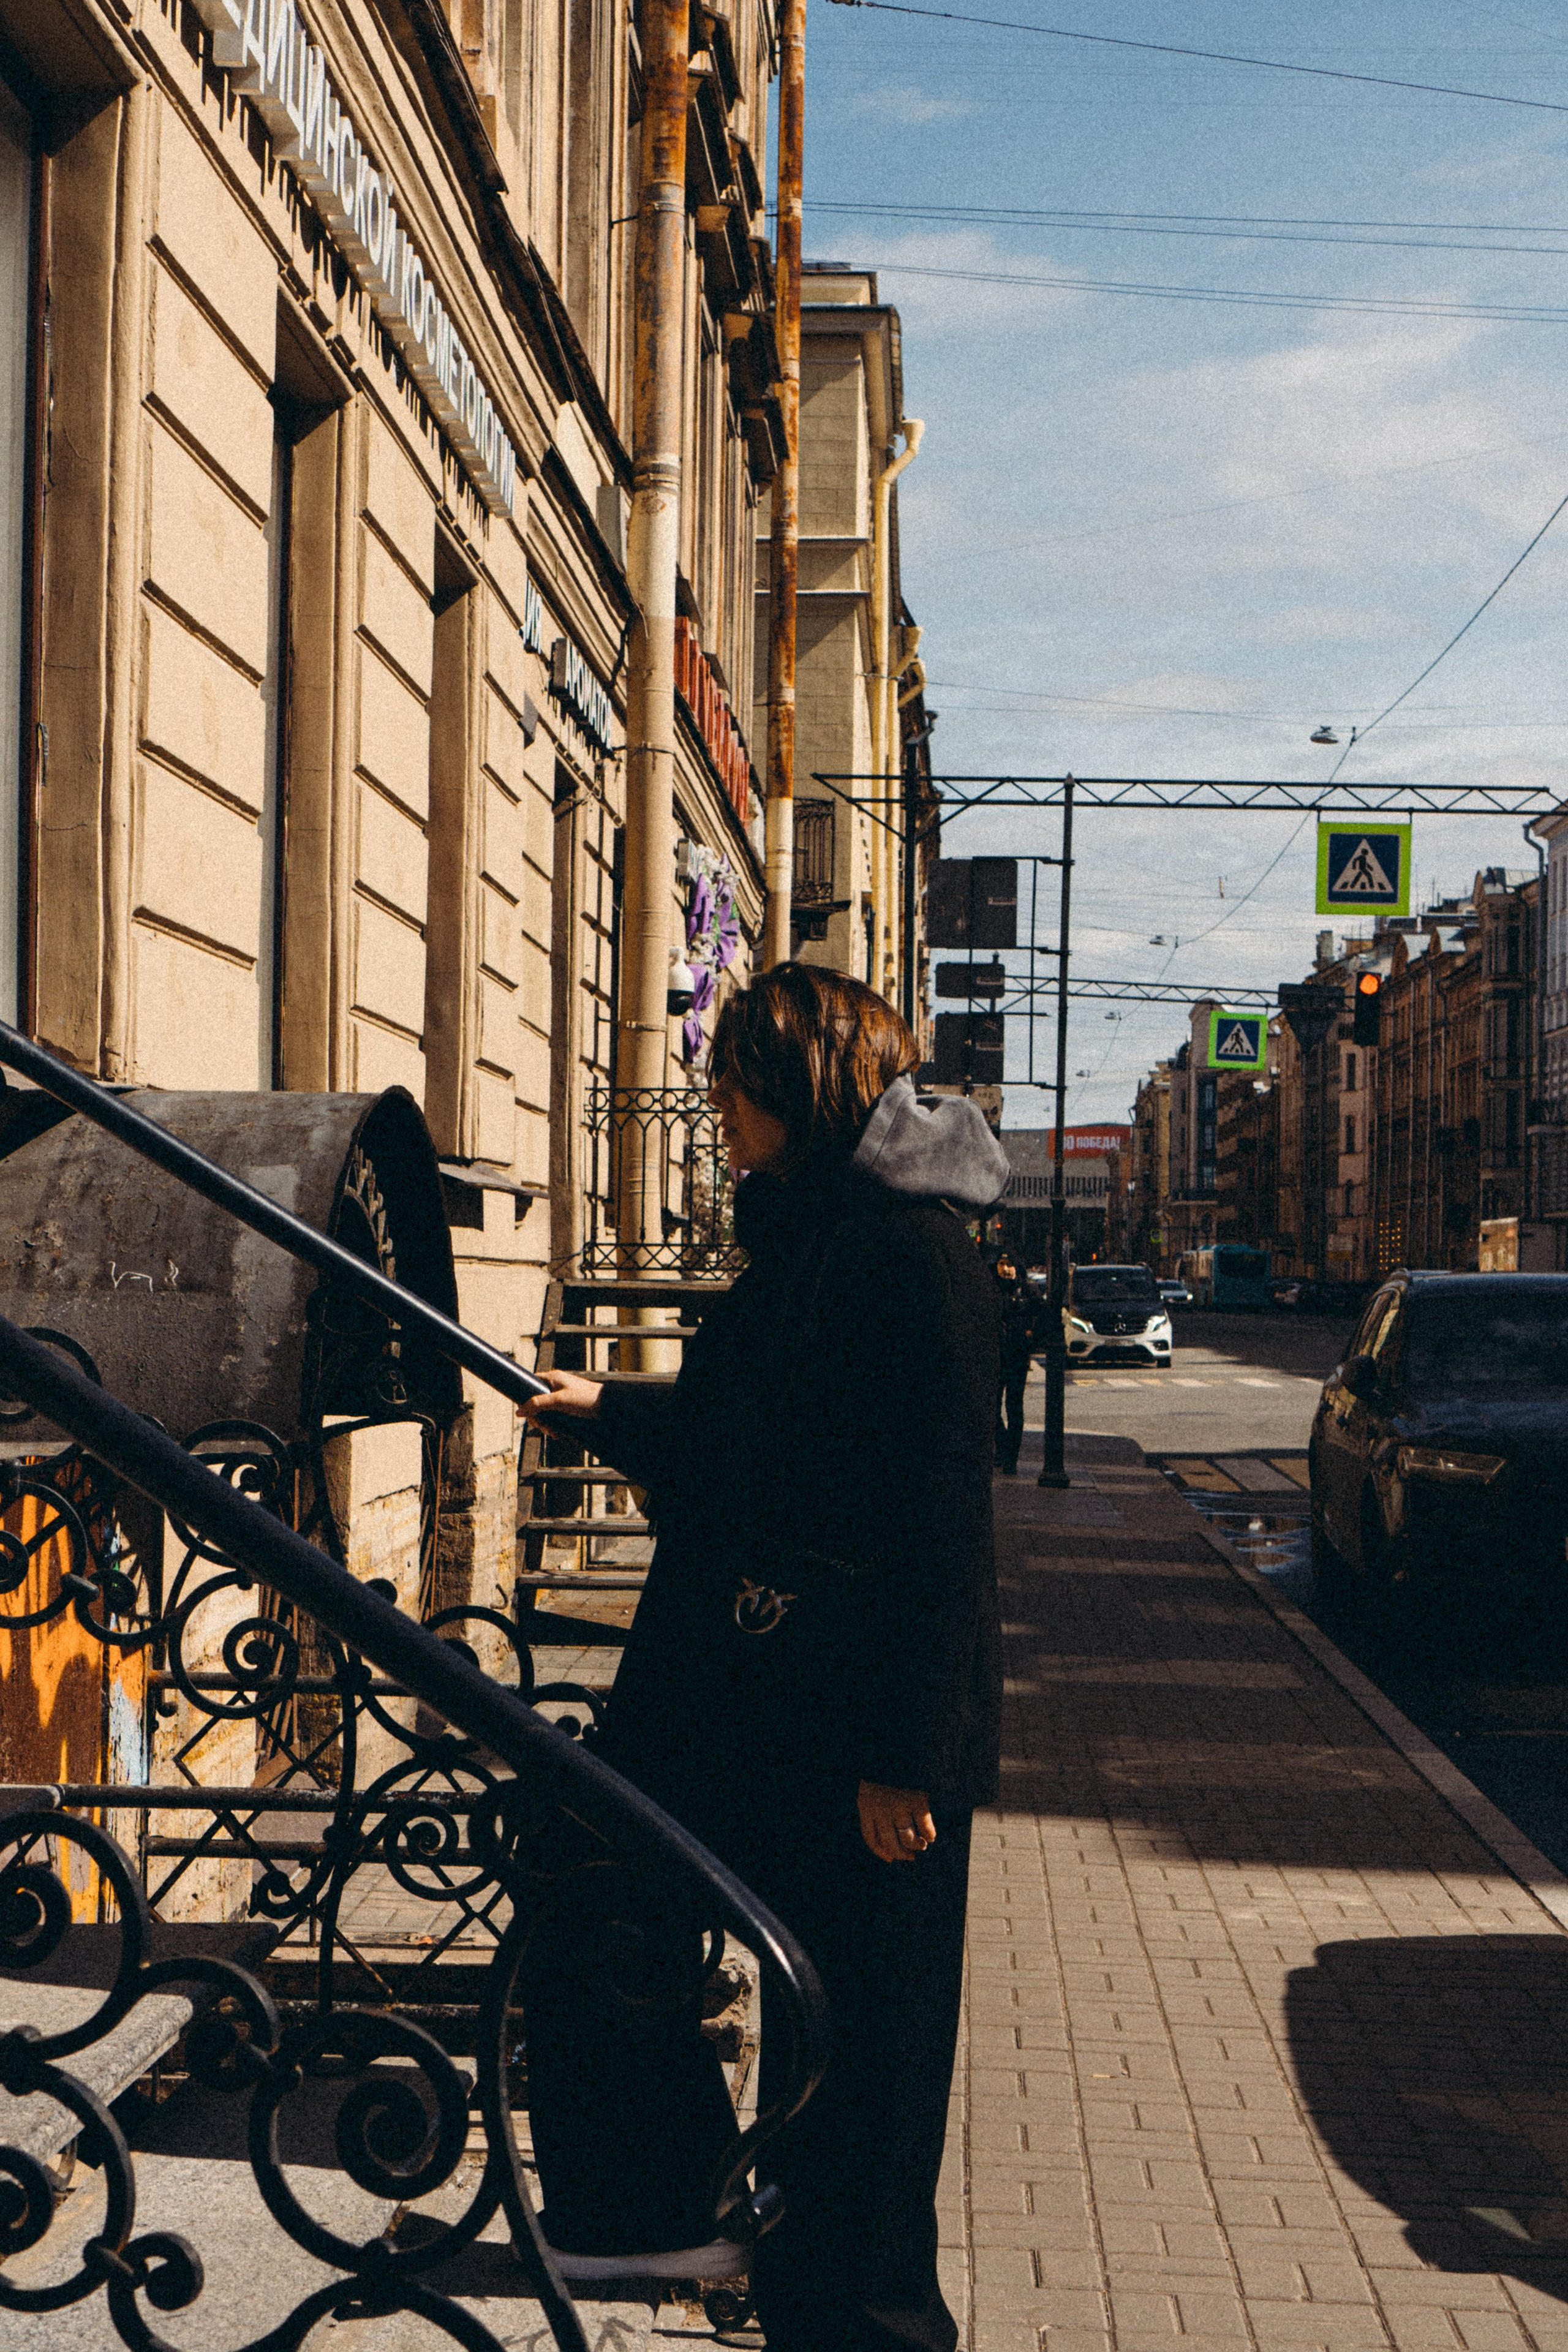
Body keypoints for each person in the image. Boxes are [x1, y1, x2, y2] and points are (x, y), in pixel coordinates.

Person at [522, 963, 1008, 2352]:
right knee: (587, 1856)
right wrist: (605, 1404)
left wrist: (907, 1756)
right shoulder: (812, 1236)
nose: (714, 1107)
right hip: (757, 1698)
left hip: (853, 1730)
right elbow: (749, 1436)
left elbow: (938, 1522)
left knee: (866, 2056)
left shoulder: (908, 1253)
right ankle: (663, 2202)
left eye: (731, 1080)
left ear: (794, 1089)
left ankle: (863, 2321)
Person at [992, 1253, 1039, 1475]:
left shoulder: (1028, 1290)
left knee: (1014, 1407)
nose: (1006, 1269)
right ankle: (1003, 1447)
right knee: (991, 1406)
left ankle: (1011, 1457)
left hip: (1018, 1355)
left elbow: (1044, 1316)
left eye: (1010, 1264)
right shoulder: (992, 1290)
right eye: (1002, 1264)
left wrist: (1032, 1338)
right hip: (996, 1355)